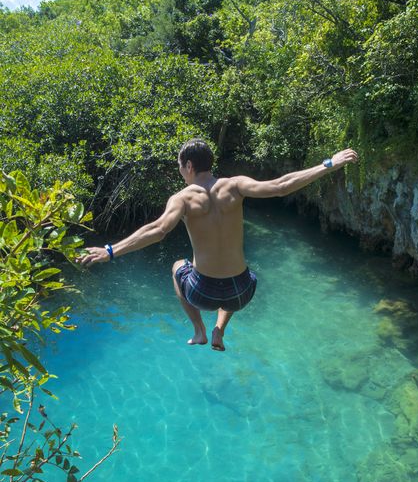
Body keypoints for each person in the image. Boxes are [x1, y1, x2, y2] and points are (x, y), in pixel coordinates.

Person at [81, 137, 358, 351]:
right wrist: (329, 163)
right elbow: (281, 185)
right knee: (243, 275)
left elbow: (158, 230)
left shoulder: (183, 198)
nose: (180, 172)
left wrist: (110, 251)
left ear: (189, 166)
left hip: (202, 293)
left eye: (180, 167)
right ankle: (219, 331)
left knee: (178, 265)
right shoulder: (235, 185)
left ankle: (199, 330)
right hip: (242, 293)